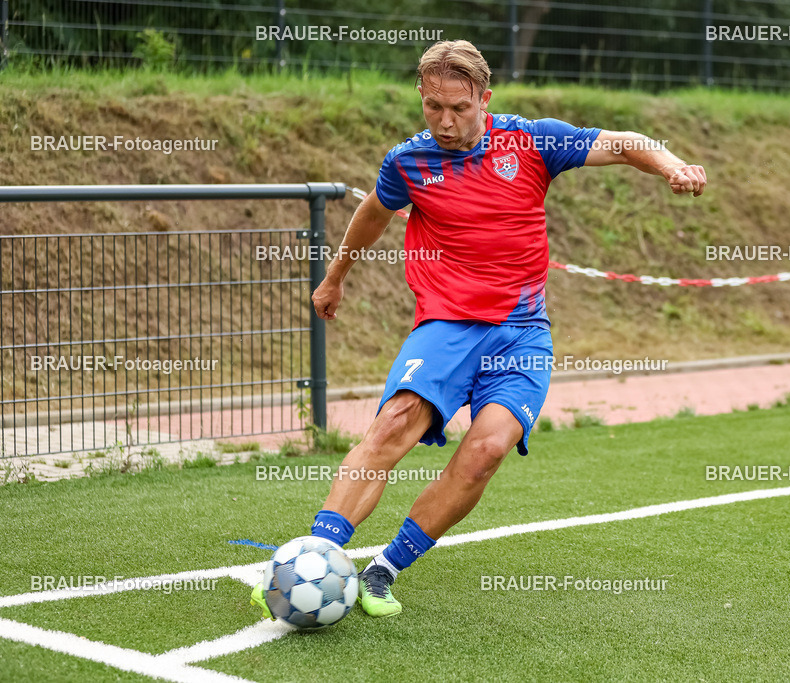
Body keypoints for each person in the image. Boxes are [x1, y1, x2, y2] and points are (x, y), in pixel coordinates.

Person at [253, 39, 706, 619]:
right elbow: (372, 213)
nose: (445, 121)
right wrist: (336, 275)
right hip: (447, 323)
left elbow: (623, 144)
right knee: (392, 427)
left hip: (521, 332)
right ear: (422, 96)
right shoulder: (408, 162)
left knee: (487, 450)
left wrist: (671, 166)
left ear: (484, 99)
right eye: (433, 106)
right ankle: (306, 560)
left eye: (460, 108)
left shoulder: (532, 140)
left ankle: (384, 570)